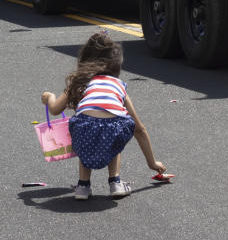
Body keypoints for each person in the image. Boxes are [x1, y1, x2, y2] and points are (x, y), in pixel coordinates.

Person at [41, 30, 167, 200]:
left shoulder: (80, 81)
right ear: (116, 65)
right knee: (114, 133)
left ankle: (83, 187)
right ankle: (115, 182)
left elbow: (55, 109)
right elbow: (139, 129)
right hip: (112, 129)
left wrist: (49, 97)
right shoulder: (118, 86)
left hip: (83, 129)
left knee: (86, 132)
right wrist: (153, 163)